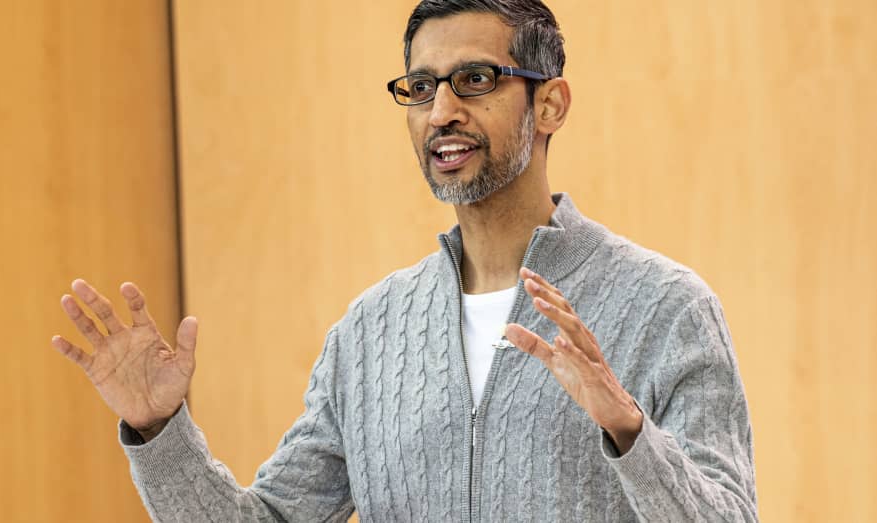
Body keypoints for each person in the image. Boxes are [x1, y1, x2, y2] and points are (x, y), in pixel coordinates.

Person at [52, 1, 757, 521]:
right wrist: (159, 432)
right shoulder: (368, 332)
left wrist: (629, 431)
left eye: (474, 79)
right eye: (420, 88)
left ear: (550, 103)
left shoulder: (665, 305)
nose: (440, 110)